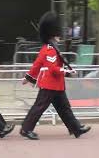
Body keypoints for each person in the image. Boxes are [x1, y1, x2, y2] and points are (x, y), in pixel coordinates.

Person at [20, 11, 91, 140]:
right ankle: (26, 129)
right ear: (53, 35)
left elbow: (37, 64)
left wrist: (28, 77)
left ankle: (76, 128)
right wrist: (68, 72)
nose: (60, 37)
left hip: (56, 85)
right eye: (57, 35)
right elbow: (53, 69)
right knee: (39, 107)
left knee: (64, 108)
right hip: (50, 84)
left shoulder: (49, 48)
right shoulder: (50, 49)